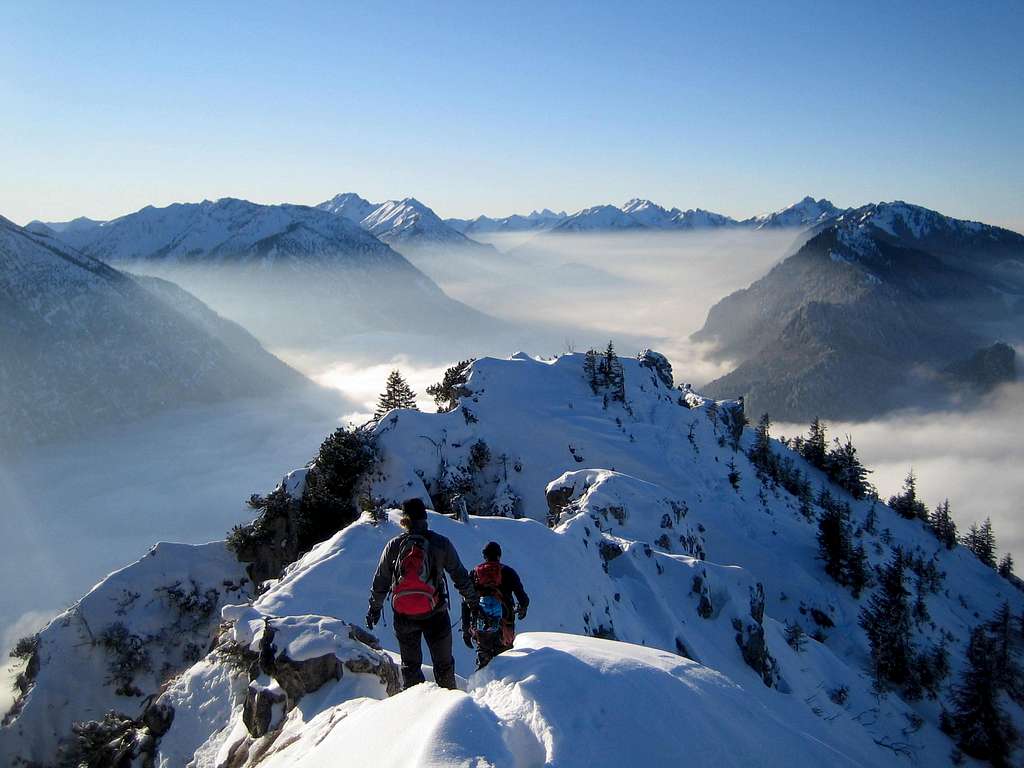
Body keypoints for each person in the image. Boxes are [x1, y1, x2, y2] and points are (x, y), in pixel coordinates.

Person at [365, 498, 476, 690]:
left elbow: (381, 580)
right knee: (443, 666)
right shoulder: (441, 543)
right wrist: (473, 602)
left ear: (404, 520)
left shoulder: (394, 546)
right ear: (425, 518)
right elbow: (459, 575)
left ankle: (415, 710)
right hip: (436, 613)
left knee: (410, 667)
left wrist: (374, 609)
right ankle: (450, 710)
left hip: (404, 616)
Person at [464, 541, 529, 669]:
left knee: (484, 656)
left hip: (481, 622)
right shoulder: (509, 572)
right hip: (505, 622)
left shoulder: (474, 573)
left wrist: (466, 628)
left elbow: (465, 601)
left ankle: (484, 683)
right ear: (499, 555)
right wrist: (522, 608)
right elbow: (522, 597)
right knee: (506, 660)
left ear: (484, 556)